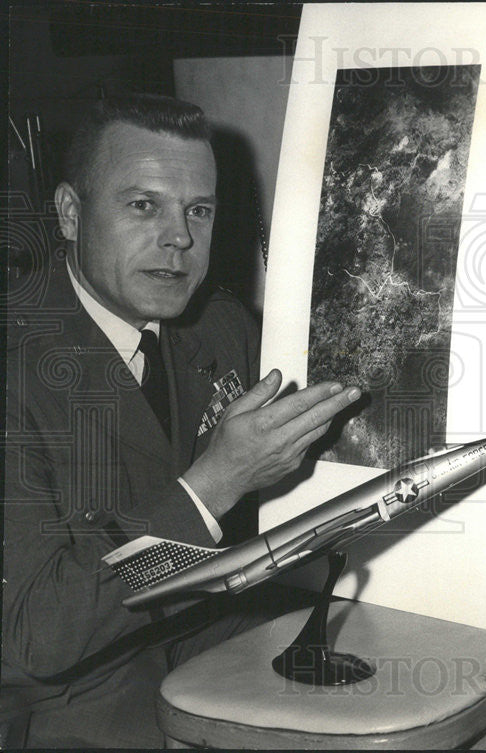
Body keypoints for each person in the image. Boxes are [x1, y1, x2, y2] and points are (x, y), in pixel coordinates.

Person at [3, 94, 359, 747]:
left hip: (213, 645)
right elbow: (34, 636)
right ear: (69, 214)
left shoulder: (220, 326)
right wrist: (211, 485)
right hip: (73, 707)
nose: (180, 238)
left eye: (199, 210)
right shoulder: (17, 366)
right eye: (144, 206)